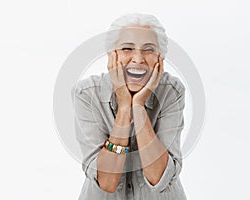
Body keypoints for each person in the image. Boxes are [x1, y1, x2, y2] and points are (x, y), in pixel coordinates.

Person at [71, 13, 187, 200]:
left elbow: (160, 178)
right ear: (112, 56)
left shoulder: (172, 91)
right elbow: (106, 182)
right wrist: (124, 107)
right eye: (127, 48)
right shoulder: (86, 93)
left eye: (149, 50)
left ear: (160, 59)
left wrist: (139, 106)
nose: (138, 59)